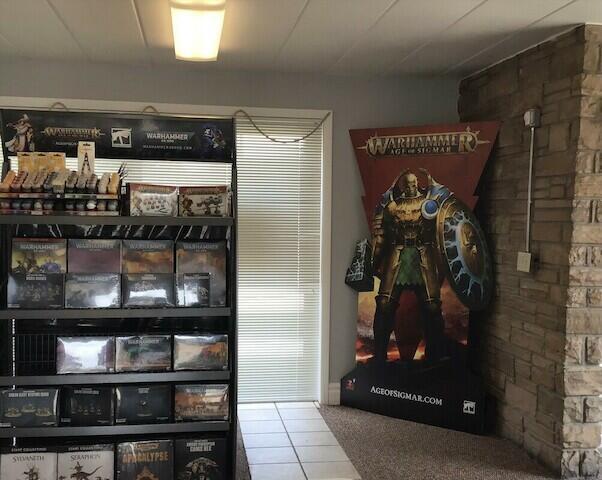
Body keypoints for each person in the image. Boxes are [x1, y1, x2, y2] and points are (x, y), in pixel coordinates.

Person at [371, 169, 446, 364]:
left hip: (423, 255)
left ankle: (435, 356)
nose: (411, 187)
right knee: (384, 304)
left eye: (414, 183)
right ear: (403, 186)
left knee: (432, 306)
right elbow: (381, 235)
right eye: (408, 184)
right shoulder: (392, 206)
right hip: (398, 254)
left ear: (418, 183)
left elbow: (441, 233)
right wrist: (374, 262)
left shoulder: (429, 204)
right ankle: (379, 357)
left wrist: (442, 264)